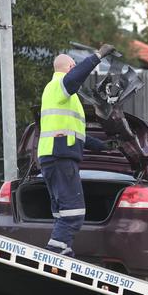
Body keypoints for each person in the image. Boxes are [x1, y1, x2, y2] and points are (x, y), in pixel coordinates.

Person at [38, 44, 116, 256]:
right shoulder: (59, 86)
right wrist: (98, 56)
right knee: (74, 213)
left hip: (52, 157)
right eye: (74, 67)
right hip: (60, 157)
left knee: (63, 214)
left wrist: (103, 146)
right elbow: (74, 79)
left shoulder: (61, 95)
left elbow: (75, 134)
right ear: (70, 66)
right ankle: (54, 255)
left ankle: (64, 252)